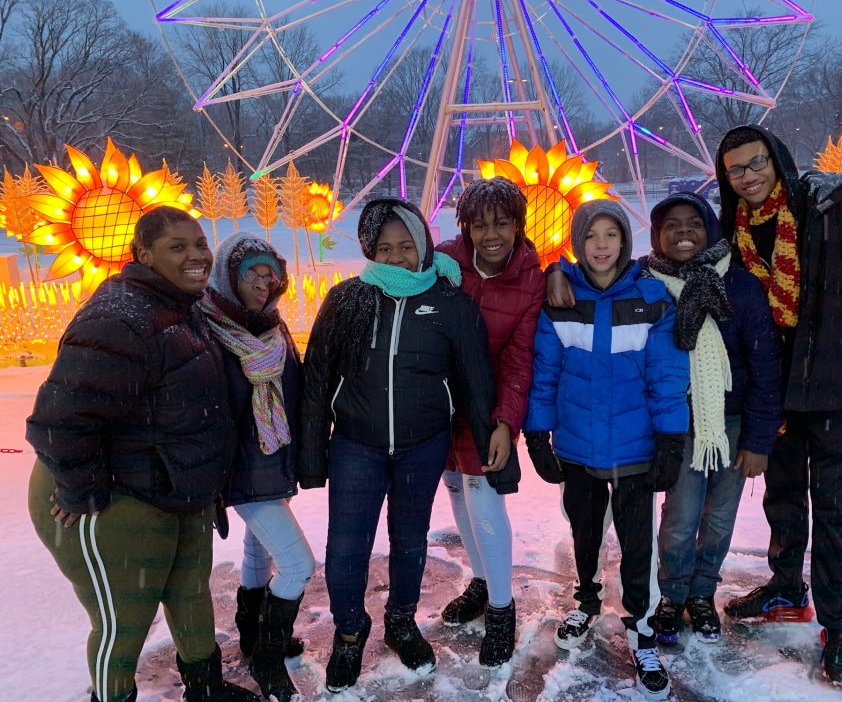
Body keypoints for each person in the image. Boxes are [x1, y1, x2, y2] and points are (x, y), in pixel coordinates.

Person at [26, 207, 259, 702]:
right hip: (122, 496)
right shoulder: (120, 317)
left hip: (179, 490)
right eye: (178, 247)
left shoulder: (182, 305)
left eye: (199, 243)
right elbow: (60, 419)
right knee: (124, 620)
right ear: (143, 255)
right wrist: (82, 490)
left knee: (191, 597)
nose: (196, 255)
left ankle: (205, 689)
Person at [298, 197, 514, 692]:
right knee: (346, 545)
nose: (397, 258)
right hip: (356, 444)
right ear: (370, 250)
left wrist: (492, 455)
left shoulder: (450, 304)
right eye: (385, 248)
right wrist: (311, 455)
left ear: (422, 246)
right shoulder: (347, 299)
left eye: (406, 246)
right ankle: (350, 632)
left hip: (423, 444)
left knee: (410, 539)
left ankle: (401, 619)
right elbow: (317, 379)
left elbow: (475, 385)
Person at [715, 125, 842, 689]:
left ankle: (839, 624)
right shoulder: (731, 228)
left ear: (777, 159)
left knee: (832, 509)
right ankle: (786, 586)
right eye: (737, 170)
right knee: (783, 497)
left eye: (757, 163)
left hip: (828, 384)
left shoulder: (827, 209)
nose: (749, 177)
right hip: (771, 387)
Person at [524, 200, 689, 701]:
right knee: (584, 532)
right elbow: (545, 373)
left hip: (637, 450)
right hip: (577, 449)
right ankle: (588, 600)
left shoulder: (651, 298)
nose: (601, 245)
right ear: (579, 242)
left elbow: (666, 376)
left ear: (625, 242)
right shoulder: (561, 299)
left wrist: (670, 439)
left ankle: (641, 628)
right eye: (591, 235)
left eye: (611, 235)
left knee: (639, 545)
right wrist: (538, 434)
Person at [638, 193, 782, 646]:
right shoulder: (645, 284)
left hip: (731, 423)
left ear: (710, 230)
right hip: (676, 424)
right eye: (672, 225)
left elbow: (765, 368)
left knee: (719, 518)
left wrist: (758, 441)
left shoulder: (739, 286)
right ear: (657, 235)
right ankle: (672, 594)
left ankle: (702, 594)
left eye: (693, 224)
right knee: (679, 518)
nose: (683, 232)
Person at [199, 232, 315, 702]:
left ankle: (253, 633)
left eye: (272, 274)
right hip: (240, 470)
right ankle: (267, 660)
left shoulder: (272, 324)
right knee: (298, 564)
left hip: (273, 459)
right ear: (228, 274)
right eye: (253, 273)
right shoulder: (206, 327)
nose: (265, 283)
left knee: (259, 552)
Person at [435, 177, 545, 667]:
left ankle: (503, 608)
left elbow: (522, 359)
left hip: (486, 408)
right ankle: (480, 582)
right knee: (457, 491)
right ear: (465, 229)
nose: (491, 234)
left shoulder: (531, 280)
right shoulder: (442, 264)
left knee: (484, 500)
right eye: (479, 225)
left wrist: (505, 422)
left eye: (501, 222)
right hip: (438, 404)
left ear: (519, 225)